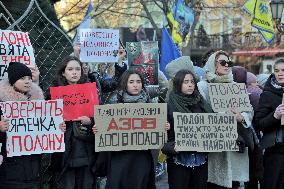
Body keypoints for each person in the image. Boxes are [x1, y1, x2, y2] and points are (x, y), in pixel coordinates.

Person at [93, 69, 169, 189]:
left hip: (142, 157)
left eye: (138, 82)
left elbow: (156, 133)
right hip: (120, 158)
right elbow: (105, 130)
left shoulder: (149, 105)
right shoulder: (114, 103)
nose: (135, 85)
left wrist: (163, 127)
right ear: (125, 83)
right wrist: (98, 129)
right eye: (131, 81)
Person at [197, 50, 251, 189]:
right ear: (213, 64)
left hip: (234, 144)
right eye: (222, 62)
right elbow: (200, 113)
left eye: (229, 63)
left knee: (232, 183)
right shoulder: (202, 86)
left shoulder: (236, 86)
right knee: (214, 183)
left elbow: (249, 111)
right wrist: (221, 115)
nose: (226, 65)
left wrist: (241, 117)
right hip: (214, 148)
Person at [47, 56, 96, 189]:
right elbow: (44, 123)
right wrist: (57, 126)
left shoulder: (90, 92)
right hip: (64, 154)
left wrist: (90, 121)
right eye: (70, 69)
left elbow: (100, 119)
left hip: (86, 150)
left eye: (77, 69)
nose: (74, 72)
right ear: (63, 72)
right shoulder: (53, 94)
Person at [164, 69, 212, 189]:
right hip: (178, 160)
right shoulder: (169, 105)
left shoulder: (201, 103)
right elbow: (162, 139)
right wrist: (165, 128)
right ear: (178, 84)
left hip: (200, 160)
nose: (190, 84)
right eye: (186, 82)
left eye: (192, 81)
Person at [0, 62, 45, 189]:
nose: (27, 81)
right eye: (22, 78)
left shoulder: (39, 105)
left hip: (33, 169)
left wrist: (58, 128)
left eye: (29, 78)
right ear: (12, 81)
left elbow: (46, 131)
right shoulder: (2, 104)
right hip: (9, 170)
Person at [254, 58, 284, 189]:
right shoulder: (268, 94)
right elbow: (259, 123)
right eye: (277, 71)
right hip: (276, 150)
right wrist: (275, 115)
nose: (280, 74)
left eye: (283, 70)